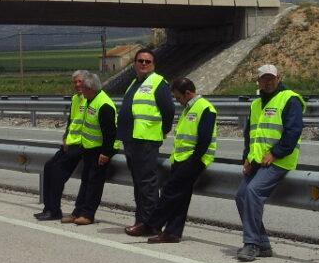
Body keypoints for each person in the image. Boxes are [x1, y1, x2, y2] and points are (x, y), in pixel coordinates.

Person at [126, 77, 217, 243]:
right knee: (180, 197)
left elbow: (204, 140)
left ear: (188, 93)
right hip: (181, 158)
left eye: (178, 97)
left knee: (169, 192)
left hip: (193, 160)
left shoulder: (205, 108)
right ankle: (172, 232)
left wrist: (193, 161)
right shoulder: (189, 108)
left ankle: (149, 224)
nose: (177, 100)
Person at [235, 64, 306, 261]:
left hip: (280, 159)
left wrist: (275, 154)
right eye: (264, 78)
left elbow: (293, 131)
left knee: (253, 191)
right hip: (258, 160)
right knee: (241, 195)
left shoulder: (290, 99)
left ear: (279, 78)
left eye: (271, 78)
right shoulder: (256, 104)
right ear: (258, 81)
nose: (268, 81)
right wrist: (247, 158)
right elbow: (250, 135)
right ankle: (263, 244)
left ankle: (251, 244)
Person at [116, 47, 175, 235]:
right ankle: (141, 220)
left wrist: (164, 130)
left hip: (146, 139)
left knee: (147, 184)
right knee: (139, 183)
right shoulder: (134, 83)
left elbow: (168, 110)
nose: (143, 64)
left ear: (153, 65)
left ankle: (151, 224)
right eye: (140, 61)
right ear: (134, 63)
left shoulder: (158, 83)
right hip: (131, 139)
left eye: (147, 61)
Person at [61, 73, 120, 226]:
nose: (80, 90)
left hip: (100, 151)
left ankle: (88, 214)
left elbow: (110, 133)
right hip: (89, 148)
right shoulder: (90, 100)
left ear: (90, 88)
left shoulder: (104, 104)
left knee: (94, 183)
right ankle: (77, 212)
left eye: (83, 87)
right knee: (86, 181)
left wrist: (106, 153)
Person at [34, 70, 90, 221]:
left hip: (82, 145)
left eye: (80, 81)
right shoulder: (76, 99)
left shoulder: (90, 98)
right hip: (70, 143)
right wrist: (65, 138)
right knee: (48, 166)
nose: (77, 85)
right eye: (75, 82)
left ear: (88, 82)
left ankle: (54, 210)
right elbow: (71, 122)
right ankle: (48, 208)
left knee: (58, 172)